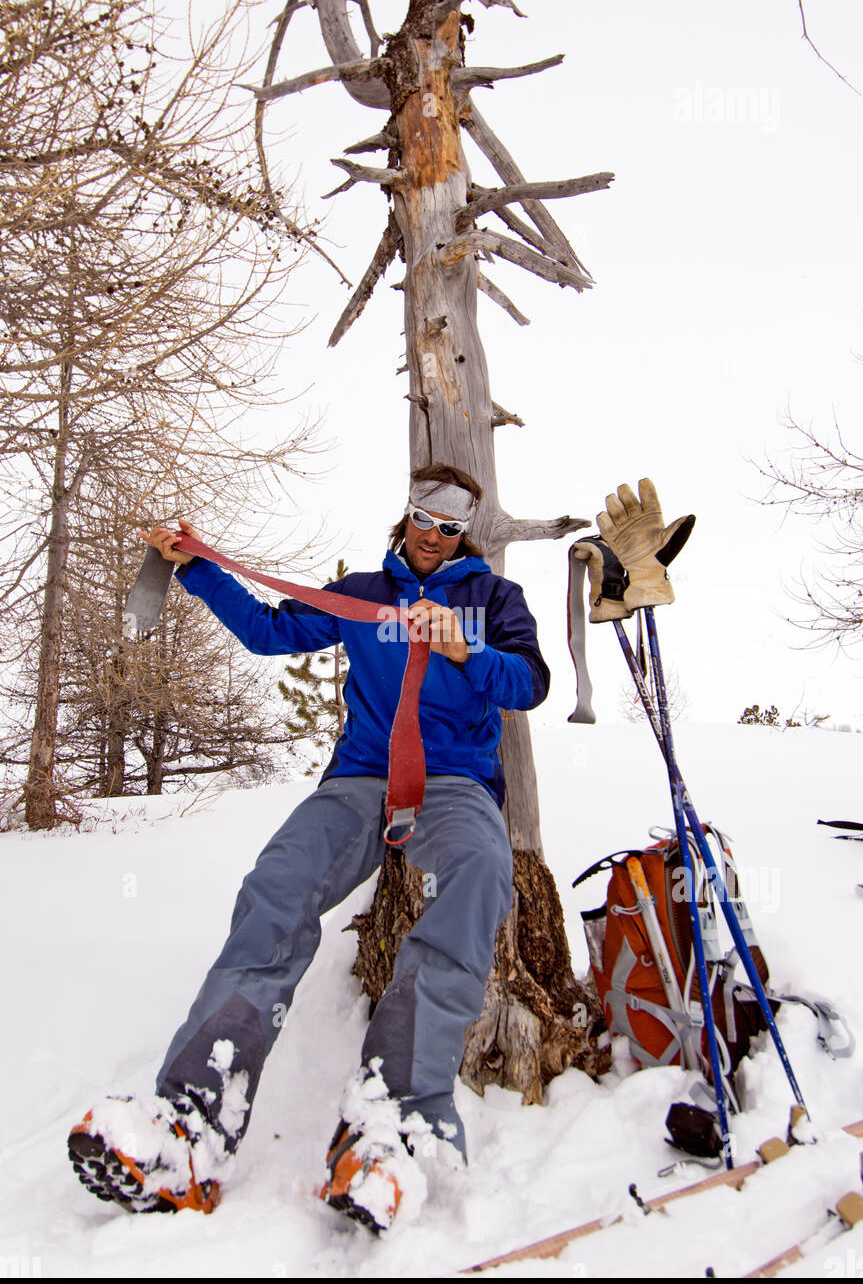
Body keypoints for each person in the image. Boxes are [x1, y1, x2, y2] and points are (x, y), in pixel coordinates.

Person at [68, 463, 551, 1231]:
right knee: (278, 884)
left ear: (466, 533)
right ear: (406, 515)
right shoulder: (361, 595)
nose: (433, 534)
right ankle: (192, 1118)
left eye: (451, 524)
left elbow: (528, 684)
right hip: (361, 778)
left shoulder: (491, 600)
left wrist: (467, 653)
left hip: (453, 782)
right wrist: (196, 569)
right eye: (423, 516)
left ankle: (396, 1118)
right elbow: (268, 631)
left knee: (480, 872)